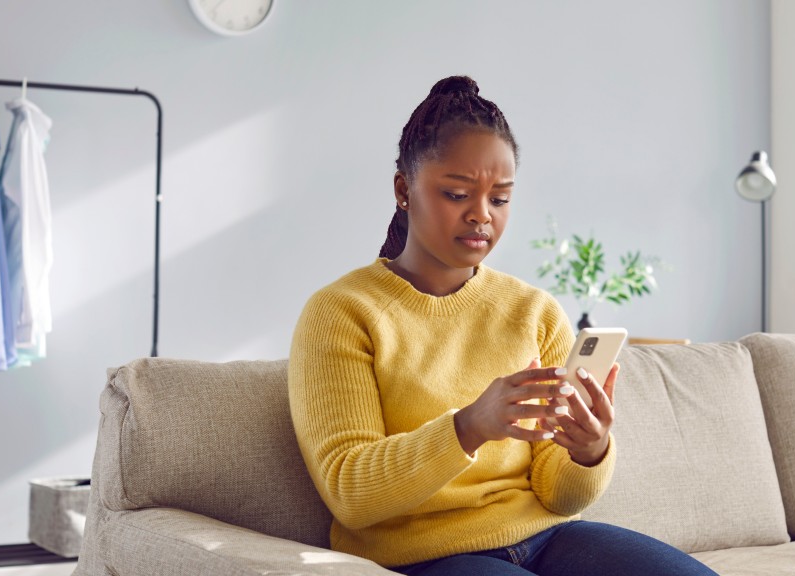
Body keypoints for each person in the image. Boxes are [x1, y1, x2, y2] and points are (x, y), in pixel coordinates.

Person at [288, 75, 717, 576]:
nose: (481, 216)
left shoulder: (533, 311)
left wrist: (588, 450)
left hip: (547, 537)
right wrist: (468, 427)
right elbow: (350, 493)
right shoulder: (342, 312)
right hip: (424, 558)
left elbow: (558, 495)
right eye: (456, 193)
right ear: (404, 190)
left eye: (500, 198)